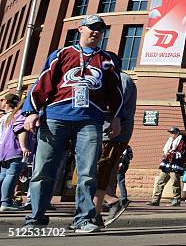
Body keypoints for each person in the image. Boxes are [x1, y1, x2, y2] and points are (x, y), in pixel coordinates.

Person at [22, 15, 123, 233]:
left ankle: (83, 219)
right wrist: (30, 111)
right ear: (80, 29)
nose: (96, 32)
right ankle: (36, 218)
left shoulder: (107, 60)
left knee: (87, 172)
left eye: (100, 29)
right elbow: (43, 82)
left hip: (90, 121)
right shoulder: (62, 54)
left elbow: (115, 92)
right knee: (43, 169)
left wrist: (116, 118)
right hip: (55, 117)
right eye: (91, 28)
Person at [94, 68, 137, 227]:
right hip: (102, 132)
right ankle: (97, 212)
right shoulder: (107, 79)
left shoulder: (122, 79)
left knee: (99, 172)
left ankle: (109, 204)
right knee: (93, 173)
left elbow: (117, 106)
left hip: (113, 135)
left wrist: (91, 103)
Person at [0, 94, 34, 211]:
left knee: (3, 175)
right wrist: (24, 147)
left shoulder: (9, 116)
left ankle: (3, 201)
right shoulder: (21, 115)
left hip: (5, 150)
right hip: (15, 149)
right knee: (11, 175)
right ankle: (6, 202)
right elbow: (21, 131)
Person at [147, 127, 185, 206]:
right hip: (166, 165)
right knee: (160, 182)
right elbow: (166, 151)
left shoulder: (181, 141)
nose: (171, 134)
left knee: (175, 183)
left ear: (177, 133)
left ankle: (176, 200)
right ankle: (155, 200)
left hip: (175, 166)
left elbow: (180, 153)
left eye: (173, 132)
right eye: (171, 133)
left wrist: (171, 153)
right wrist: (167, 154)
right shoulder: (170, 141)